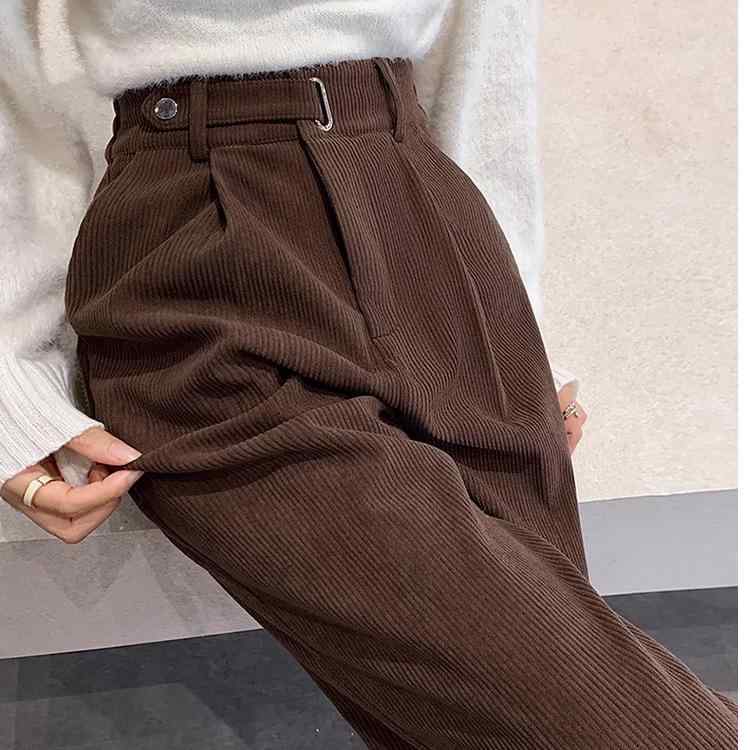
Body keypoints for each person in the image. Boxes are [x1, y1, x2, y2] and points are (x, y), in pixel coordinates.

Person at [0, 2, 736, 748]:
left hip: (426, 219)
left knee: (515, 716)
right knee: (589, 714)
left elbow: (484, 71)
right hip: (194, 246)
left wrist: (516, 326)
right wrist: (13, 381)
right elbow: (17, 84)